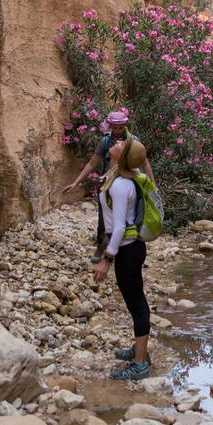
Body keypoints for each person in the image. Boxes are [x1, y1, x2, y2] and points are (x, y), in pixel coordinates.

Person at [92, 136, 152, 380]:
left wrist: (107, 259)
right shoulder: (125, 176)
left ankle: (140, 364)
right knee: (134, 302)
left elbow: (118, 228)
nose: (115, 144)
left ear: (124, 156)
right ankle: (139, 350)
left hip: (127, 249)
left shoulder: (120, 185)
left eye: (120, 146)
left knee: (137, 304)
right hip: (131, 248)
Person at [63, 110, 155, 262]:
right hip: (108, 185)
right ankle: (101, 247)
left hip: (129, 183)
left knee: (131, 217)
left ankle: (129, 246)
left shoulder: (133, 141)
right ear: (111, 126)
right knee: (104, 220)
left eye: (120, 127)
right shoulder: (105, 142)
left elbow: (144, 162)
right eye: (115, 127)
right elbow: (93, 163)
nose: (118, 131)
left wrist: (151, 185)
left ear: (125, 125)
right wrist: (76, 181)